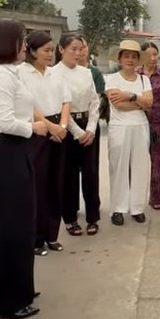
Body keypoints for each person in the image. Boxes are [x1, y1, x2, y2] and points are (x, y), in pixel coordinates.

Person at [0, 18, 47, 319]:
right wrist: (34, 127)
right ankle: (6, 302)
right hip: (7, 151)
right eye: (21, 40)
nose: (25, 46)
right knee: (11, 229)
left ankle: (22, 287)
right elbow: (5, 121)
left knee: (24, 224)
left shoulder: (11, 72)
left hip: (18, 150)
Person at [18, 30, 71, 256]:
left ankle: (52, 235)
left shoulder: (54, 74)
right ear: (31, 51)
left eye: (52, 50)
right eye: (46, 50)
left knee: (55, 184)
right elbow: (26, 105)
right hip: (36, 129)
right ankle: (35, 239)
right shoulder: (21, 73)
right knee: (36, 186)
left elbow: (66, 101)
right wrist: (50, 127)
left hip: (59, 128)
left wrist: (63, 126)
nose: (50, 54)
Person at [52, 34, 102, 237]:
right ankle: (70, 218)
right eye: (73, 48)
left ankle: (93, 217)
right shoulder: (53, 74)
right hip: (66, 126)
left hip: (88, 124)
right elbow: (60, 104)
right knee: (69, 175)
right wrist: (77, 132)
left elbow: (94, 101)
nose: (78, 53)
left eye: (81, 48)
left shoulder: (86, 72)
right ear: (61, 49)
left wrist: (90, 128)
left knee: (91, 174)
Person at [105, 40, 153, 225]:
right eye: (126, 56)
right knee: (119, 168)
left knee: (141, 166)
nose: (130, 60)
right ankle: (118, 208)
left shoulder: (144, 79)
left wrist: (131, 95)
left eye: (134, 56)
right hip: (120, 127)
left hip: (141, 126)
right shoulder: (112, 79)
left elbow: (149, 103)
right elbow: (119, 105)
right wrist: (138, 102)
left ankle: (137, 207)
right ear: (120, 58)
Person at [137, 41, 160, 211]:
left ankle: (155, 197)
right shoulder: (136, 74)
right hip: (138, 122)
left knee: (157, 162)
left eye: (155, 54)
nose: (152, 58)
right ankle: (135, 198)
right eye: (149, 54)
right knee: (137, 162)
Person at [78, 35, 107, 122]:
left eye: (84, 47)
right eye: (77, 48)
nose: (81, 51)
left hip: (90, 118)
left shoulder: (95, 73)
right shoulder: (65, 71)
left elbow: (98, 99)